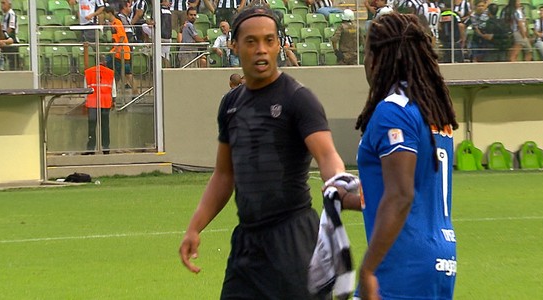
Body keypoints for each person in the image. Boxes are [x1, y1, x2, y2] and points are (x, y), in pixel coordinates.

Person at [179, 7, 357, 300]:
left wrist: (338, 180)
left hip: (294, 240)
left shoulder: (298, 98)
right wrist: (194, 228)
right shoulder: (230, 105)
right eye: (251, 42)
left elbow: (326, 155)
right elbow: (224, 175)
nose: (261, 50)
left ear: (278, 45)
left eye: (269, 40)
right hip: (247, 246)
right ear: (234, 45)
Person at [348, 12, 458, 299]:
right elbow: (416, 187)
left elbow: (400, 195)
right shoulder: (431, 111)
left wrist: (368, 269)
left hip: (401, 260)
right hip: (441, 258)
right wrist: (349, 194)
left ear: (375, 56)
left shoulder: (393, 111)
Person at [84, 55, 116, 154]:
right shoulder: (110, 73)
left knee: (92, 126)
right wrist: (113, 101)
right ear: (104, 62)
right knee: (105, 126)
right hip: (105, 102)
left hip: (92, 101)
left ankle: (91, 148)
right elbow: (113, 89)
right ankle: (106, 147)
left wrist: (86, 100)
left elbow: (85, 89)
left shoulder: (88, 72)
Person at [102, 5, 134, 92]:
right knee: (114, 72)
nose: (104, 16)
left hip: (123, 53)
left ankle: (136, 92)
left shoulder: (117, 23)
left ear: (109, 13)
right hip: (116, 54)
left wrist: (116, 49)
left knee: (128, 74)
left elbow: (122, 37)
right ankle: (113, 91)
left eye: (105, 14)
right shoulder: (112, 24)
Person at [0, 0, 19, 71]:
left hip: (12, 42)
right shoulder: (4, 15)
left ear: (9, 5)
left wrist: (4, 38)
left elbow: (11, 28)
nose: (1, 5)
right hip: (6, 41)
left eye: (3, 3)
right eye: (1, 3)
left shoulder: (11, 14)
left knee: (13, 64)